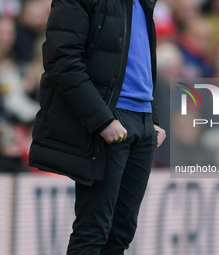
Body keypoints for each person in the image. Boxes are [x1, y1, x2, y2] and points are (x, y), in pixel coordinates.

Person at [28, 0, 165, 254]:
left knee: (120, 233)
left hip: (141, 121)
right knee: (93, 232)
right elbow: (62, 60)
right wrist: (102, 120)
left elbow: (139, 61)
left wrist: (151, 116)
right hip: (108, 120)